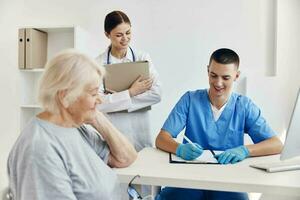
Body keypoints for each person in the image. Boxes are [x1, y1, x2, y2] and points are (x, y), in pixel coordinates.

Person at [7, 49, 137, 200]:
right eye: (94, 93)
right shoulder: (39, 149)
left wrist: (96, 118)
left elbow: (126, 158)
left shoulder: (74, 127)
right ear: (65, 96)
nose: (100, 100)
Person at [155, 48, 283, 200]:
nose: (218, 83)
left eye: (226, 77)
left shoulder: (244, 106)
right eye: (213, 75)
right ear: (207, 70)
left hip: (228, 180)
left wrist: (245, 151)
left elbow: (276, 144)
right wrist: (179, 148)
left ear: (236, 76)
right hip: (189, 178)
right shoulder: (190, 100)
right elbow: (161, 138)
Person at [96, 10, 162, 152]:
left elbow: (157, 94)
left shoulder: (142, 57)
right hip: (114, 132)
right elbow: (98, 104)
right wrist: (131, 92)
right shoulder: (98, 63)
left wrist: (114, 100)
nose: (125, 38)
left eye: (128, 33)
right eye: (119, 35)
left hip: (140, 131)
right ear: (107, 34)